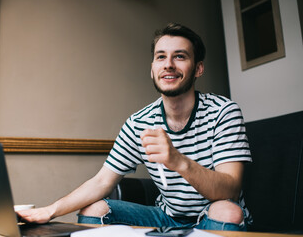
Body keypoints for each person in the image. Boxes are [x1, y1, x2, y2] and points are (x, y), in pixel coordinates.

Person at [17, 23, 252, 231]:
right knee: (93, 210)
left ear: (198, 68)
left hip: (212, 216)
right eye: (161, 57)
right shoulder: (139, 122)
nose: (168, 65)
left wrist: (178, 161)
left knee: (227, 211)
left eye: (179, 56)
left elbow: (230, 189)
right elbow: (101, 182)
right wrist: (50, 210)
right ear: (152, 69)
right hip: (165, 218)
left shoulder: (223, 111)